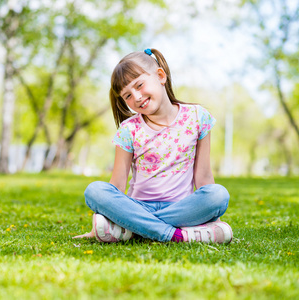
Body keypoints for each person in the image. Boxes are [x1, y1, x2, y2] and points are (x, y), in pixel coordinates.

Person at [73, 48, 232, 244]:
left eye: (139, 85)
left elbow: (204, 178)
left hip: (181, 209)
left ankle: (132, 228)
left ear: (160, 76)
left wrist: (212, 215)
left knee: (218, 195)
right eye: (127, 96)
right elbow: (117, 185)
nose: (137, 97)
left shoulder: (198, 117)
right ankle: (176, 235)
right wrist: (110, 209)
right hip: (138, 207)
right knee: (95, 191)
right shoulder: (128, 129)